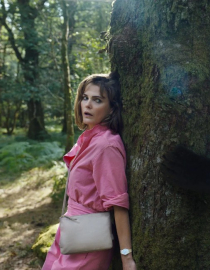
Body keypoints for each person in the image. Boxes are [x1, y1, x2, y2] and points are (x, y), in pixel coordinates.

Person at [42, 73, 136, 270]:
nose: (88, 105)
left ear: (112, 108)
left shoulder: (105, 145)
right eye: (85, 98)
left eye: (98, 100)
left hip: (88, 239)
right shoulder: (89, 137)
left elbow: (118, 203)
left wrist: (126, 257)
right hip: (71, 229)